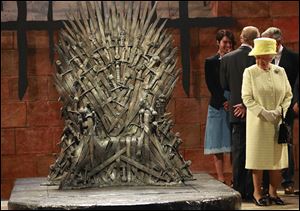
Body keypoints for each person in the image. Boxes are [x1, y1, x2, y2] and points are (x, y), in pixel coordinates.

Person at [241, 37, 293, 206]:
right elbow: (247, 98)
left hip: (277, 122)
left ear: (271, 56)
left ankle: (272, 193)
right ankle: (257, 193)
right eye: (258, 57)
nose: (260, 61)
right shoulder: (250, 72)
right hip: (258, 123)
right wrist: (263, 112)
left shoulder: (280, 71)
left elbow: (288, 95)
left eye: (264, 57)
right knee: (258, 159)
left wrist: (279, 111)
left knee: (276, 160)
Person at [220, 26, 260, 200]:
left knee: (238, 152)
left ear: (242, 38)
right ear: (255, 39)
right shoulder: (257, 58)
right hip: (255, 111)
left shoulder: (227, 58)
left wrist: (238, 100)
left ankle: (238, 189)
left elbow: (224, 84)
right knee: (255, 151)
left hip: (236, 111)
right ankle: (253, 190)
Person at [261, 27, 299, 195]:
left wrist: (297, 102)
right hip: (267, 109)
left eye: (267, 41)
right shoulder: (262, 58)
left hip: (287, 107)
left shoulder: (294, 58)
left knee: (286, 142)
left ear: (277, 42)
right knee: (267, 144)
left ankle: (288, 180)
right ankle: (267, 183)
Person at [204, 29, 236, 184]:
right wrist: (223, 100)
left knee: (233, 144)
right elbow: (211, 84)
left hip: (234, 103)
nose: (228, 45)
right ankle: (221, 178)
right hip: (218, 105)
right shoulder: (210, 61)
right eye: (225, 42)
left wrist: (232, 100)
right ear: (218, 43)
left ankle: (234, 178)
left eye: (230, 42)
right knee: (218, 143)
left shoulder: (236, 60)